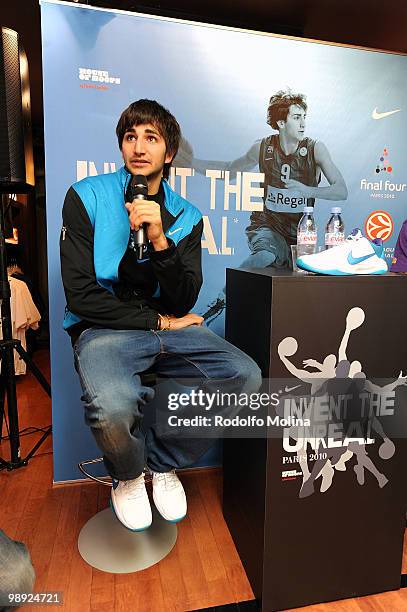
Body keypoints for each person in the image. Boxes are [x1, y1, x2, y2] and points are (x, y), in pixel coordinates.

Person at [60, 99, 261, 531]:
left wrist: (159, 238)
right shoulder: (86, 196)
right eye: (130, 137)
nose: (138, 147)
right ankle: (129, 477)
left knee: (244, 375)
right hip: (104, 327)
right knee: (112, 406)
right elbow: (80, 296)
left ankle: (161, 464)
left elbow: (183, 297)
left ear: (168, 153)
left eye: (151, 137)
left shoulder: (187, 217)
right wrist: (159, 323)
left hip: (165, 324)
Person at [178, 90, 348, 322]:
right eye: (297, 117)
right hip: (267, 225)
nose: (303, 123)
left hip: (300, 235)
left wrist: (307, 190)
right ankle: (219, 301)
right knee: (265, 254)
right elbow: (229, 170)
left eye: (304, 117)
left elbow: (341, 190)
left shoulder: (315, 149)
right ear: (281, 122)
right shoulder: (263, 148)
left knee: (295, 296)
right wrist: (192, 163)